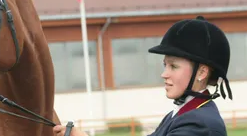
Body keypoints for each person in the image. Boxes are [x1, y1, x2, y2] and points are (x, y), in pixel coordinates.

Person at [53, 16, 233, 136]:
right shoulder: (180, 114)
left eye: (174, 66)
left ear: (202, 72)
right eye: (165, 65)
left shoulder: (200, 125)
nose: (164, 74)